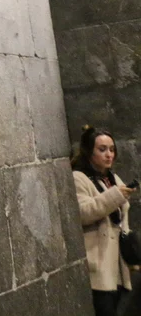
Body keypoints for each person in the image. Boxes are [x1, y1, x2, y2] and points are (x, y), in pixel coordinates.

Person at [72, 126, 135, 315]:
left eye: (112, 149)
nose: (109, 155)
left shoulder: (112, 177)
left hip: (118, 263)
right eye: (102, 149)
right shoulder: (79, 178)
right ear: (89, 152)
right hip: (99, 263)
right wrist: (115, 195)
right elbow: (83, 212)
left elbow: (121, 217)